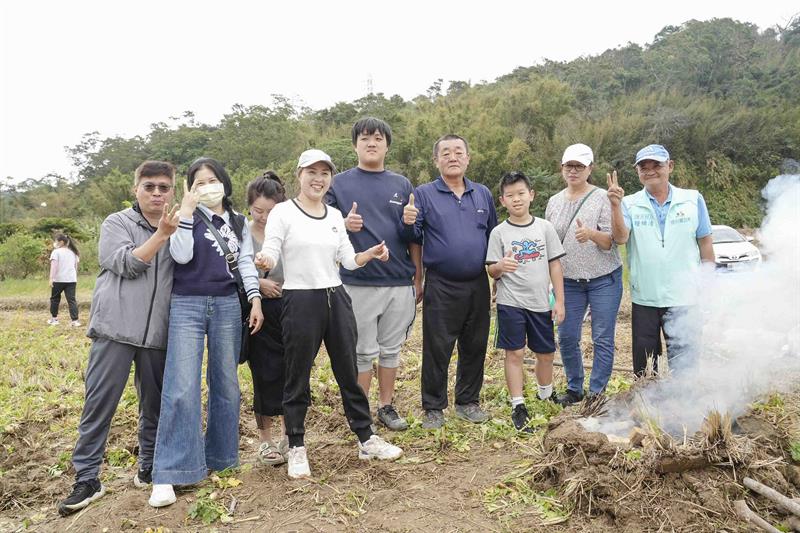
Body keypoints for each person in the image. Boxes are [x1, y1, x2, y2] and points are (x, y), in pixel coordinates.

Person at [255, 149, 403, 479]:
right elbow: (271, 248)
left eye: (324, 172)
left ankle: (365, 438)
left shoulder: (335, 216)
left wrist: (371, 254)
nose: (318, 178)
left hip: (336, 297)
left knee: (348, 372)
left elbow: (348, 260)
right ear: (299, 175)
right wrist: (264, 260)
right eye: (312, 171)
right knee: (297, 374)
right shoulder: (283, 212)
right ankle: (296, 445)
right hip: (300, 299)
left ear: (330, 178)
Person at [57, 161, 180, 516]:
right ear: (135, 189)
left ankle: (148, 466)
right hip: (115, 329)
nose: (157, 193)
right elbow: (126, 264)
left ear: (173, 190)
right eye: (149, 186)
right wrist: (162, 236)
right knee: (100, 405)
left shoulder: (181, 227)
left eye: (164, 187)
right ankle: (88, 477)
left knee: (153, 405)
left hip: (157, 332)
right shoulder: (118, 223)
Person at [149, 157, 264, 508]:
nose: (206, 186)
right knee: (181, 386)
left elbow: (244, 262)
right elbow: (181, 257)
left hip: (228, 304)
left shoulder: (239, 222)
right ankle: (170, 471)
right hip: (187, 303)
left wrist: (255, 299)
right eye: (198, 183)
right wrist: (185, 212)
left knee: (226, 384)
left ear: (224, 182)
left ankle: (223, 458)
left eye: (212, 179)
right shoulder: (186, 217)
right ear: (190, 189)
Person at [325, 117, 421, 431]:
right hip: (358, 282)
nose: (371, 143)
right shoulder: (338, 183)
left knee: (391, 348)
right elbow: (320, 223)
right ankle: (360, 411)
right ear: (355, 144)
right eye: (365, 138)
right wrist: (342, 222)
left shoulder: (401, 184)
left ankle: (386, 405)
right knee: (362, 350)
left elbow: (414, 236)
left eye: (378, 138)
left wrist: (410, 222)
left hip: (398, 280)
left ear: (386, 145)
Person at [403, 134, 498, 429]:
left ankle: (468, 402)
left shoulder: (482, 194)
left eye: (459, 152)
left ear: (468, 158)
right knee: (437, 347)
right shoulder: (423, 194)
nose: (453, 157)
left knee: (475, 344)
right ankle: (433, 406)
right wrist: (406, 222)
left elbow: (494, 237)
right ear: (436, 160)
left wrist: (496, 275)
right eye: (446, 153)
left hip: (477, 282)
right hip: (441, 283)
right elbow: (413, 240)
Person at [609, 144, 714, 376]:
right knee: (645, 366)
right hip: (646, 295)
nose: (650, 171)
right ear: (637, 172)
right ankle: (649, 408)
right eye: (643, 167)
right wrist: (615, 206)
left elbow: (705, 242)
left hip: (685, 295)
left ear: (670, 166)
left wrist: (708, 282)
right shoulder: (630, 203)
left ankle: (684, 405)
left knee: (685, 363)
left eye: (656, 165)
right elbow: (620, 237)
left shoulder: (692, 199)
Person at [545, 144, 624, 405]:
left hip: (603, 279)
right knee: (566, 336)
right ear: (562, 168)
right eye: (569, 165)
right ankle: (575, 388)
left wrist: (590, 234)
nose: (574, 171)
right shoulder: (553, 202)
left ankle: (597, 392)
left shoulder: (603, 197)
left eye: (580, 166)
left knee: (602, 336)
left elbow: (610, 242)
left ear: (590, 168)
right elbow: (549, 245)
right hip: (568, 281)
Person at [486, 172, 565, 431]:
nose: (516, 199)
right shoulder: (499, 232)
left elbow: (555, 265)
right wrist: (500, 265)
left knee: (546, 353)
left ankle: (546, 393)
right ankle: (518, 404)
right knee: (515, 352)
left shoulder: (545, 228)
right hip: (511, 302)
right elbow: (491, 270)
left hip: (541, 302)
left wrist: (559, 301)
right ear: (502, 200)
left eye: (521, 193)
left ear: (531, 195)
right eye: (510, 195)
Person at [246, 171, 289, 464]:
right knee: (263, 373)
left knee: (292, 371)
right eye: (257, 211)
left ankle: (290, 435)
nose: (263, 217)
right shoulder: (242, 233)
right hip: (257, 310)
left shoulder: (288, 231)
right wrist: (258, 284)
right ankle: (266, 440)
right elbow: (233, 267)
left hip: (289, 307)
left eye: (270, 211)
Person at [48, 233, 81, 327]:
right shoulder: (74, 252)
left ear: (61, 242)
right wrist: (74, 277)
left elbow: (54, 266)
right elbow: (75, 267)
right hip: (71, 280)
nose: (55, 243)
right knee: (72, 300)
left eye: (56, 241)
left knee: (54, 299)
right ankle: (75, 321)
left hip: (59, 279)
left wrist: (51, 278)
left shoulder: (56, 252)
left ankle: (54, 319)